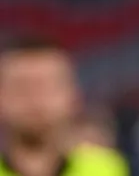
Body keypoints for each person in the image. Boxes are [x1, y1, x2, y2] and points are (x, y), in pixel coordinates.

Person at [0, 36, 129, 176]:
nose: (35, 98)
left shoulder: (106, 169)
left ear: (73, 95)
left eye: (47, 87)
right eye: (22, 86)